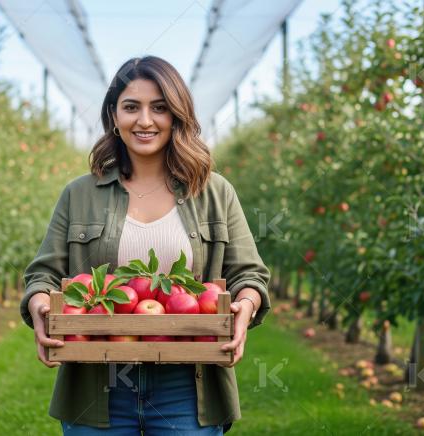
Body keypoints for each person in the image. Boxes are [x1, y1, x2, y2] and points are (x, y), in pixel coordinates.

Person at [20, 55, 270, 435]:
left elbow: (249, 274)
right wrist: (40, 308)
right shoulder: (80, 194)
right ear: (113, 115)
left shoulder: (214, 192)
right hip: (96, 386)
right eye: (131, 107)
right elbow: (43, 274)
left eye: (160, 108)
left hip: (188, 387)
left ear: (177, 115)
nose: (145, 121)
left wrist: (244, 305)